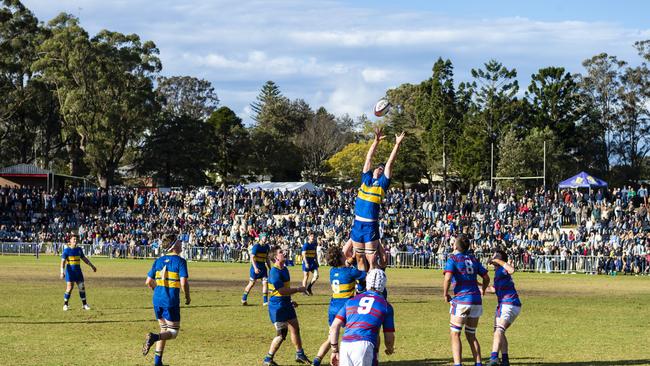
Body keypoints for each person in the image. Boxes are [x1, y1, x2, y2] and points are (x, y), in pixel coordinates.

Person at [349, 127, 405, 271]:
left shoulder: (382, 184)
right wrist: (376, 142)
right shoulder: (365, 178)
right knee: (359, 258)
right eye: (378, 168)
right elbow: (369, 158)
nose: (380, 169)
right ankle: (362, 289)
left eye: (382, 169)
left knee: (372, 260)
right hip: (357, 223)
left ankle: (373, 287)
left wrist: (397, 144)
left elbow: (390, 163)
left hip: (370, 226)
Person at [312, 246, 366, 366]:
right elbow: (365, 275)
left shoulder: (332, 271)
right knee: (353, 336)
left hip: (333, 307)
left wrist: (351, 258)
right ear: (341, 257)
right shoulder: (350, 272)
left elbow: (344, 266)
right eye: (342, 253)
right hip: (346, 308)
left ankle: (316, 360)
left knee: (331, 338)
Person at [329, 269, 395, 366]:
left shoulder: (351, 301)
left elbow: (334, 326)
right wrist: (390, 348)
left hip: (346, 344)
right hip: (365, 345)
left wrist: (334, 350)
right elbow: (389, 338)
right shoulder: (386, 306)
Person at [142, 234, 190, 366]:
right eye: (179, 241)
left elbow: (148, 281)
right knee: (173, 333)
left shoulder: (158, 261)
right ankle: (153, 337)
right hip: (170, 301)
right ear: (174, 246)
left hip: (157, 300)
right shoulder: (180, 261)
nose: (181, 243)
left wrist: (158, 291)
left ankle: (157, 362)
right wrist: (187, 296)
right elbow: (184, 282)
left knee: (164, 328)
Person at [443, 235, 490, 366]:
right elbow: (486, 278)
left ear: (456, 246)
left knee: (455, 334)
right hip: (476, 300)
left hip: (462, 300)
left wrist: (445, 294)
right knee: (471, 334)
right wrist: (484, 290)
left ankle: (458, 364)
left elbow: (447, 278)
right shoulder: (473, 259)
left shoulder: (453, 259)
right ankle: (478, 363)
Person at [264, 245, 311, 365]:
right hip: (277, 306)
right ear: (276, 258)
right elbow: (281, 291)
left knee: (295, 327)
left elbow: (286, 289)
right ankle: (268, 359)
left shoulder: (284, 269)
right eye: (280, 252)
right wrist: (298, 289)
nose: (284, 253)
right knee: (282, 334)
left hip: (286, 304)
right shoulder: (274, 272)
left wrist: (289, 301)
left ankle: (300, 354)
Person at [487, 249, 521, 366]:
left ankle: (494, 358)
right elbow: (493, 289)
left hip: (509, 303)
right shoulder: (498, 272)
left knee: (499, 330)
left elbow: (512, 270)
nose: (493, 257)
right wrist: (476, 284)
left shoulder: (503, 269)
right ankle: (505, 360)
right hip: (506, 304)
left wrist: (498, 260)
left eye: (496, 256)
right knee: (500, 331)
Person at [60, 235, 96, 311]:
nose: (75, 241)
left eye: (76, 239)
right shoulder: (66, 250)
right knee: (69, 288)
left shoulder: (79, 250)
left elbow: (84, 259)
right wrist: (62, 272)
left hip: (78, 272)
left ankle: (84, 304)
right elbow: (62, 262)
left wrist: (92, 266)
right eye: (74, 239)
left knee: (82, 287)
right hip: (70, 272)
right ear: (70, 241)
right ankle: (65, 304)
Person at [242, 232, 271, 306]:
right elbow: (252, 257)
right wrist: (255, 268)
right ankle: (244, 299)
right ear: (261, 238)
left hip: (263, 268)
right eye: (264, 237)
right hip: (255, 268)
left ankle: (265, 301)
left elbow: (267, 258)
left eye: (266, 237)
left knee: (265, 283)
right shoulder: (256, 246)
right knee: (251, 284)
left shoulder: (267, 247)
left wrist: (270, 268)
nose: (266, 238)